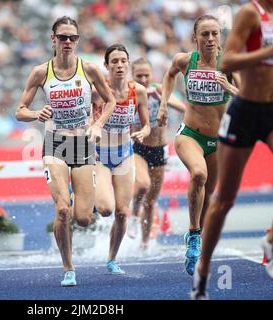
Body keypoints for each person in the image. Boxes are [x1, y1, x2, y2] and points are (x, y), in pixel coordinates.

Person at [192, 0, 273, 300]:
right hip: (245, 112)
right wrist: (271, 52)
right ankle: (202, 269)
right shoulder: (250, 13)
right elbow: (227, 63)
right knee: (224, 200)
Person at [15, 16, 116, 287]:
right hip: (55, 144)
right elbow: (19, 110)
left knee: (82, 218)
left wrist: (97, 125)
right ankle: (68, 267)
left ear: (78, 40)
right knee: (62, 210)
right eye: (62, 37)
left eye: (72, 37)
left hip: (83, 145)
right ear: (53, 39)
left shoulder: (89, 70)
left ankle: (89, 197)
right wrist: (36, 112)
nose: (68, 42)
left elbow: (111, 101)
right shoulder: (40, 72)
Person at [158, 15, 239, 276]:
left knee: (208, 199)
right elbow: (169, 76)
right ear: (195, 37)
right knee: (199, 174)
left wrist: (230, 87)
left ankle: (197, 235)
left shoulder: (229, 63)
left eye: (215, 33)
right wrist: (162, 104)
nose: (210, 39)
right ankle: (194, 234)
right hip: (190, 134)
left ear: (220, 37)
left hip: (218, 141)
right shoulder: (184, 60)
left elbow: (249, 97)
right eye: (204, 34)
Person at [91, 44, 150, 274]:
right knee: (106, 209)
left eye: (123, 61)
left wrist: (144, 132)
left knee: (123, 212)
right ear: (106, 66)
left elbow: (145, 124)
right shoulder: (98, 91)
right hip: (101, 157)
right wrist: (92, 127)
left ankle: (112, 258)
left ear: (128, 64)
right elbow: (85, 117)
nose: (119, 65)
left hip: (125, 155)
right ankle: (89, 195)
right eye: (114, 61)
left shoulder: (139, 91)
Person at [128, 57, 186, 249]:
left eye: (146, 75)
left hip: (159, 150)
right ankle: (134, 215)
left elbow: (183, 108)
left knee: (151, 202)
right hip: (138, 148)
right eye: (139, 76)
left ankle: (144, 244)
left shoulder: (159, 89)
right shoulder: (129, 92)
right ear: (132, 76)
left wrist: (163, 100)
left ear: (152, 75)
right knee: (143, 185)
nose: (143, 79)